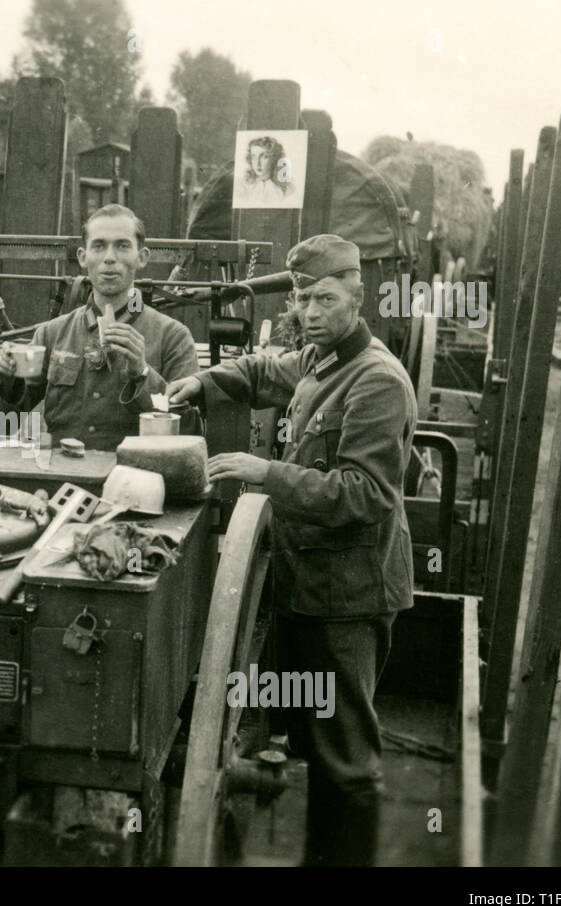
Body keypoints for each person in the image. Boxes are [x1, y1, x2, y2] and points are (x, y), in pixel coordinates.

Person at [166, 234, 418, 866]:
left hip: (349, 598)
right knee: (307, 728)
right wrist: (202, 383)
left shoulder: (377, 382)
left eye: (326, 299)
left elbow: (363, 496)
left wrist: (264, 472)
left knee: (347, 760)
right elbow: (258, 371)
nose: (310, 312)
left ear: (359, 298)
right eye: (303, 299)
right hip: (306, 585)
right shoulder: (318, 359)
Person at [0, 204, 200, 451]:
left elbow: (189, 436)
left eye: (122, 245)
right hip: (64, 476)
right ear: (83, 257)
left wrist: (143, 375)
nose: (109, 257)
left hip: (137, 481)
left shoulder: (173, 337)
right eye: (99, 245)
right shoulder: (52, 334)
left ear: (142, 257)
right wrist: (9, 382)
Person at [237, 136, 292, 206]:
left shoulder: (286, 189)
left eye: (264, 157)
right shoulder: (244, 186)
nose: (257, 163)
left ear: (274, 159)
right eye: (253, 157)